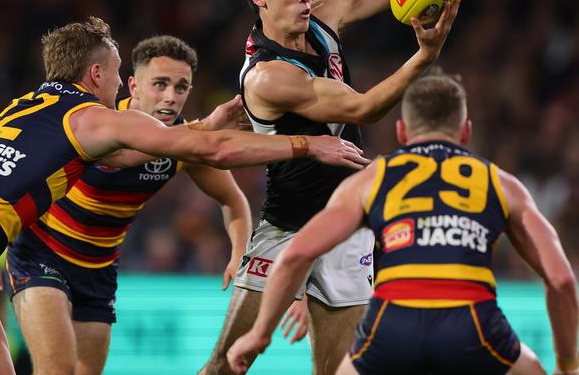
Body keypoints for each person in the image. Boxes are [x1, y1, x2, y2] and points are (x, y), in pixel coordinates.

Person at [0, 16, 367, 375]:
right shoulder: (96, 120)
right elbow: (212, 150)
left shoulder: (27, 105)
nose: (119, 85)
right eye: (122, 76)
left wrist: (204, 127)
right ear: (98, 75)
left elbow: (132, 157)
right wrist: (308, 144)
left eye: (181, 87)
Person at [200, 0, 461, 374]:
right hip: (290, 228)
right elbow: (364, 108)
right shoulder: (268, 76)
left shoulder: (323, 15)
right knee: (227, 365)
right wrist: (424, 56)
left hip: (349, 226)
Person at [226, 74, 579, 375]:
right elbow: (561, 279)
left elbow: (296, 255)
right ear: (466, 131)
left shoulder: (372, 178)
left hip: (392, 325)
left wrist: (260, 334)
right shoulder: (501, 183)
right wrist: (567, 363)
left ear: (402, 131)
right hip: (472, 323)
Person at [0, 34, 298, 375]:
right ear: (133, 86)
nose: (170, 97)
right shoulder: (98, 120)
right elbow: (23, 172)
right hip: (42, 254)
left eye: (181, 87)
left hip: (98, 270)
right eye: (160, 84)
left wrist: (239, 253)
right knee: (57, 369)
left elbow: (232, 200)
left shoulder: (186, 146)